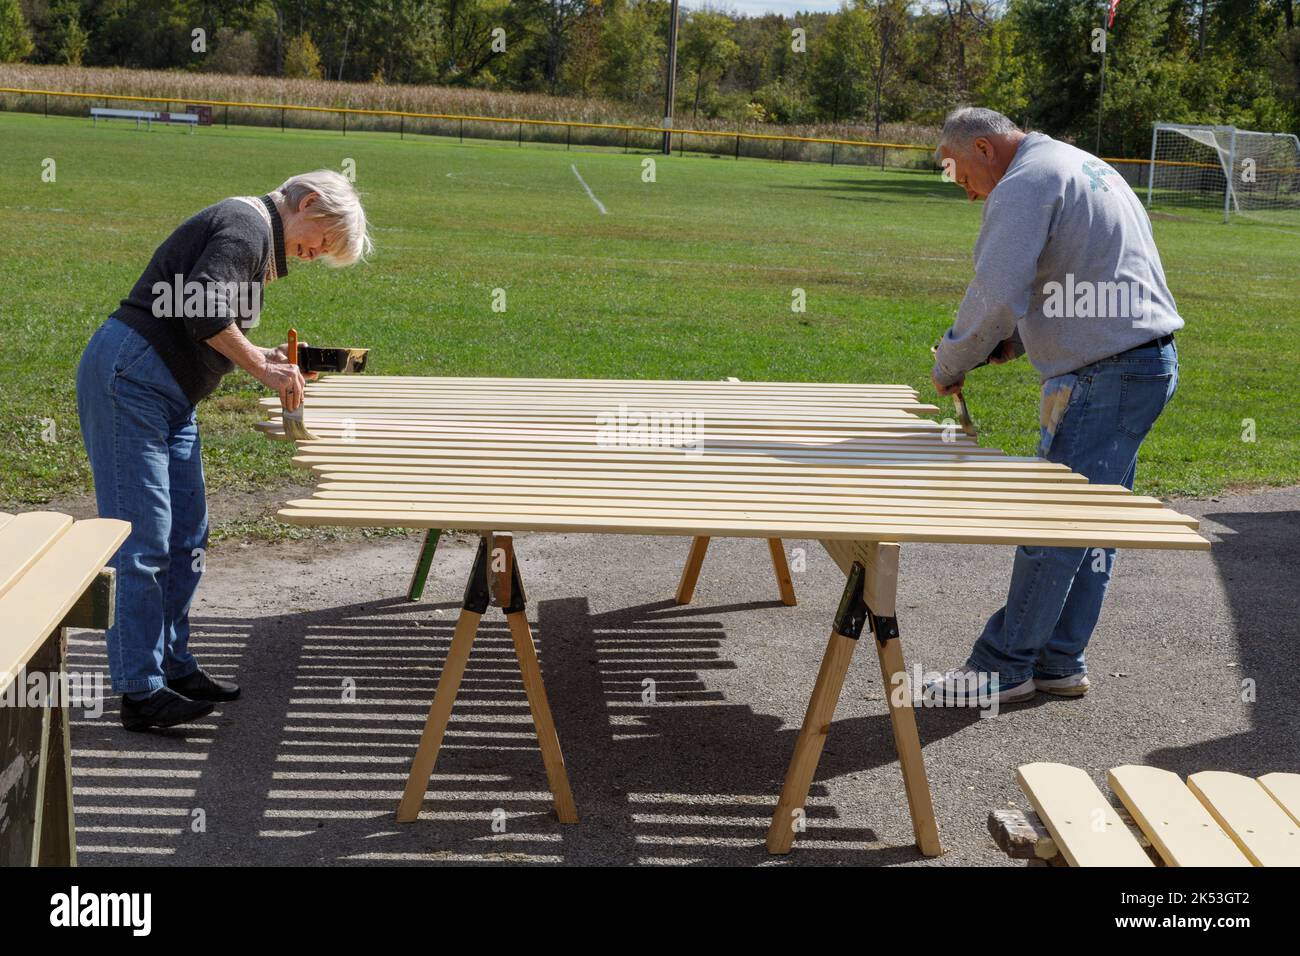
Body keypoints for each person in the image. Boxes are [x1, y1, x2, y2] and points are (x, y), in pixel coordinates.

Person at [76, 171, 372, 731]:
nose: (313, 256)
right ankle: (140, 691)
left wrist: (264, 352)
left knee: (187, 534)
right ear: (307, 203)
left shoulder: (252, 234)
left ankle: (173, 665)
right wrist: (262, 367)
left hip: (167, 395)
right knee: (141, 540)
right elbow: (207, 315)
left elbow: (210, 320)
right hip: (132, 381)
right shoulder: (246, 227)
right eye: (320, 242)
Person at [927, 107, 1183, 705]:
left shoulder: (1026, 182)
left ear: (986, 149)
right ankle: (1058, 659)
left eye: (961, 175)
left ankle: (1001, 669)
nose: (966, 193)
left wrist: (952, 361)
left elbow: (993, 293)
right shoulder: (1078, 163)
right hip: (1141, 363)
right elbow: (1093, 268)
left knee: (1053, 521)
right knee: (1090, 525)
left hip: (1108, 373)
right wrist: (1022, 339)